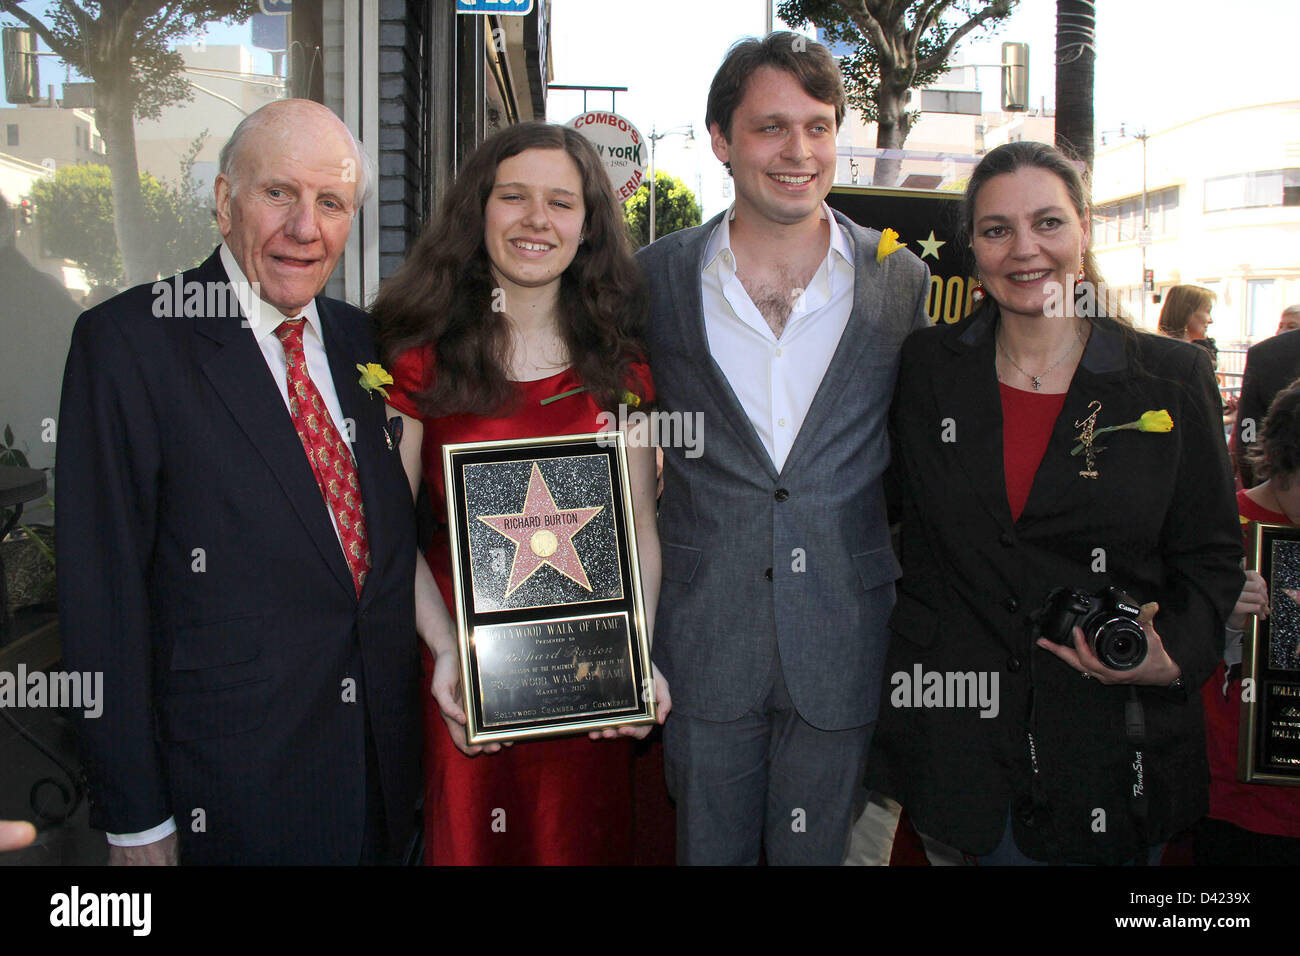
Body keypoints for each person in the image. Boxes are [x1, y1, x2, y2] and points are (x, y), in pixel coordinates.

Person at [56, 99, 421, 865]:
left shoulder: (368, 346)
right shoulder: (129, 345)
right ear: (224, 202)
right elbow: (102, 594)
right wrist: (135, 814)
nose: (304, 228)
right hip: (226, 799)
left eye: (331, 203)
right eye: (278, 193)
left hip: (382, 785)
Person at [868, 141, 1243, 864]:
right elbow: (886, 516)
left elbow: (1212, 557)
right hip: (961, 750)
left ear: (1083, 231)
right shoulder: (926, 369)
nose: (1024, 250)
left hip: (1111, 746)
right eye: (996, 229)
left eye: (1047, 222)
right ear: (971, 246)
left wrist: (1173, 658)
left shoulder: (1167, 378)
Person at [636, 32, 932, 866]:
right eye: (771, 128)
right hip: (703, 639)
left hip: (845, 631)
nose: (798, 151)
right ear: (723, 141)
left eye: (819, 125)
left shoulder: (896, 278)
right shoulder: (653, 279)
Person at [372, 122, 668, 866]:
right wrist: (445, 650)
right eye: (514, 197)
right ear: (479, 211)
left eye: (562, 203)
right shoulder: (415, 361)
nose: (538, 220)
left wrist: (636, 656)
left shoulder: (620, 365)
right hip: (465, 689)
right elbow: (387, 534)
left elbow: (637, 527)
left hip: (586, 693)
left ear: (587, 227)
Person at [1197, 381, 1300, 864]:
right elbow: (1170, 660)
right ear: (1283, 465)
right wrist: (1226, 626)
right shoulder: (1217, 529)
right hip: (1241, 802)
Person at [1234, 313, 1300, 487]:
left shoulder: (1265, 352)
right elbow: (1249, 424)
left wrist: (1254, 481)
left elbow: (1248, 426)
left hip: (1278, 485)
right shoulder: (1265, 353)